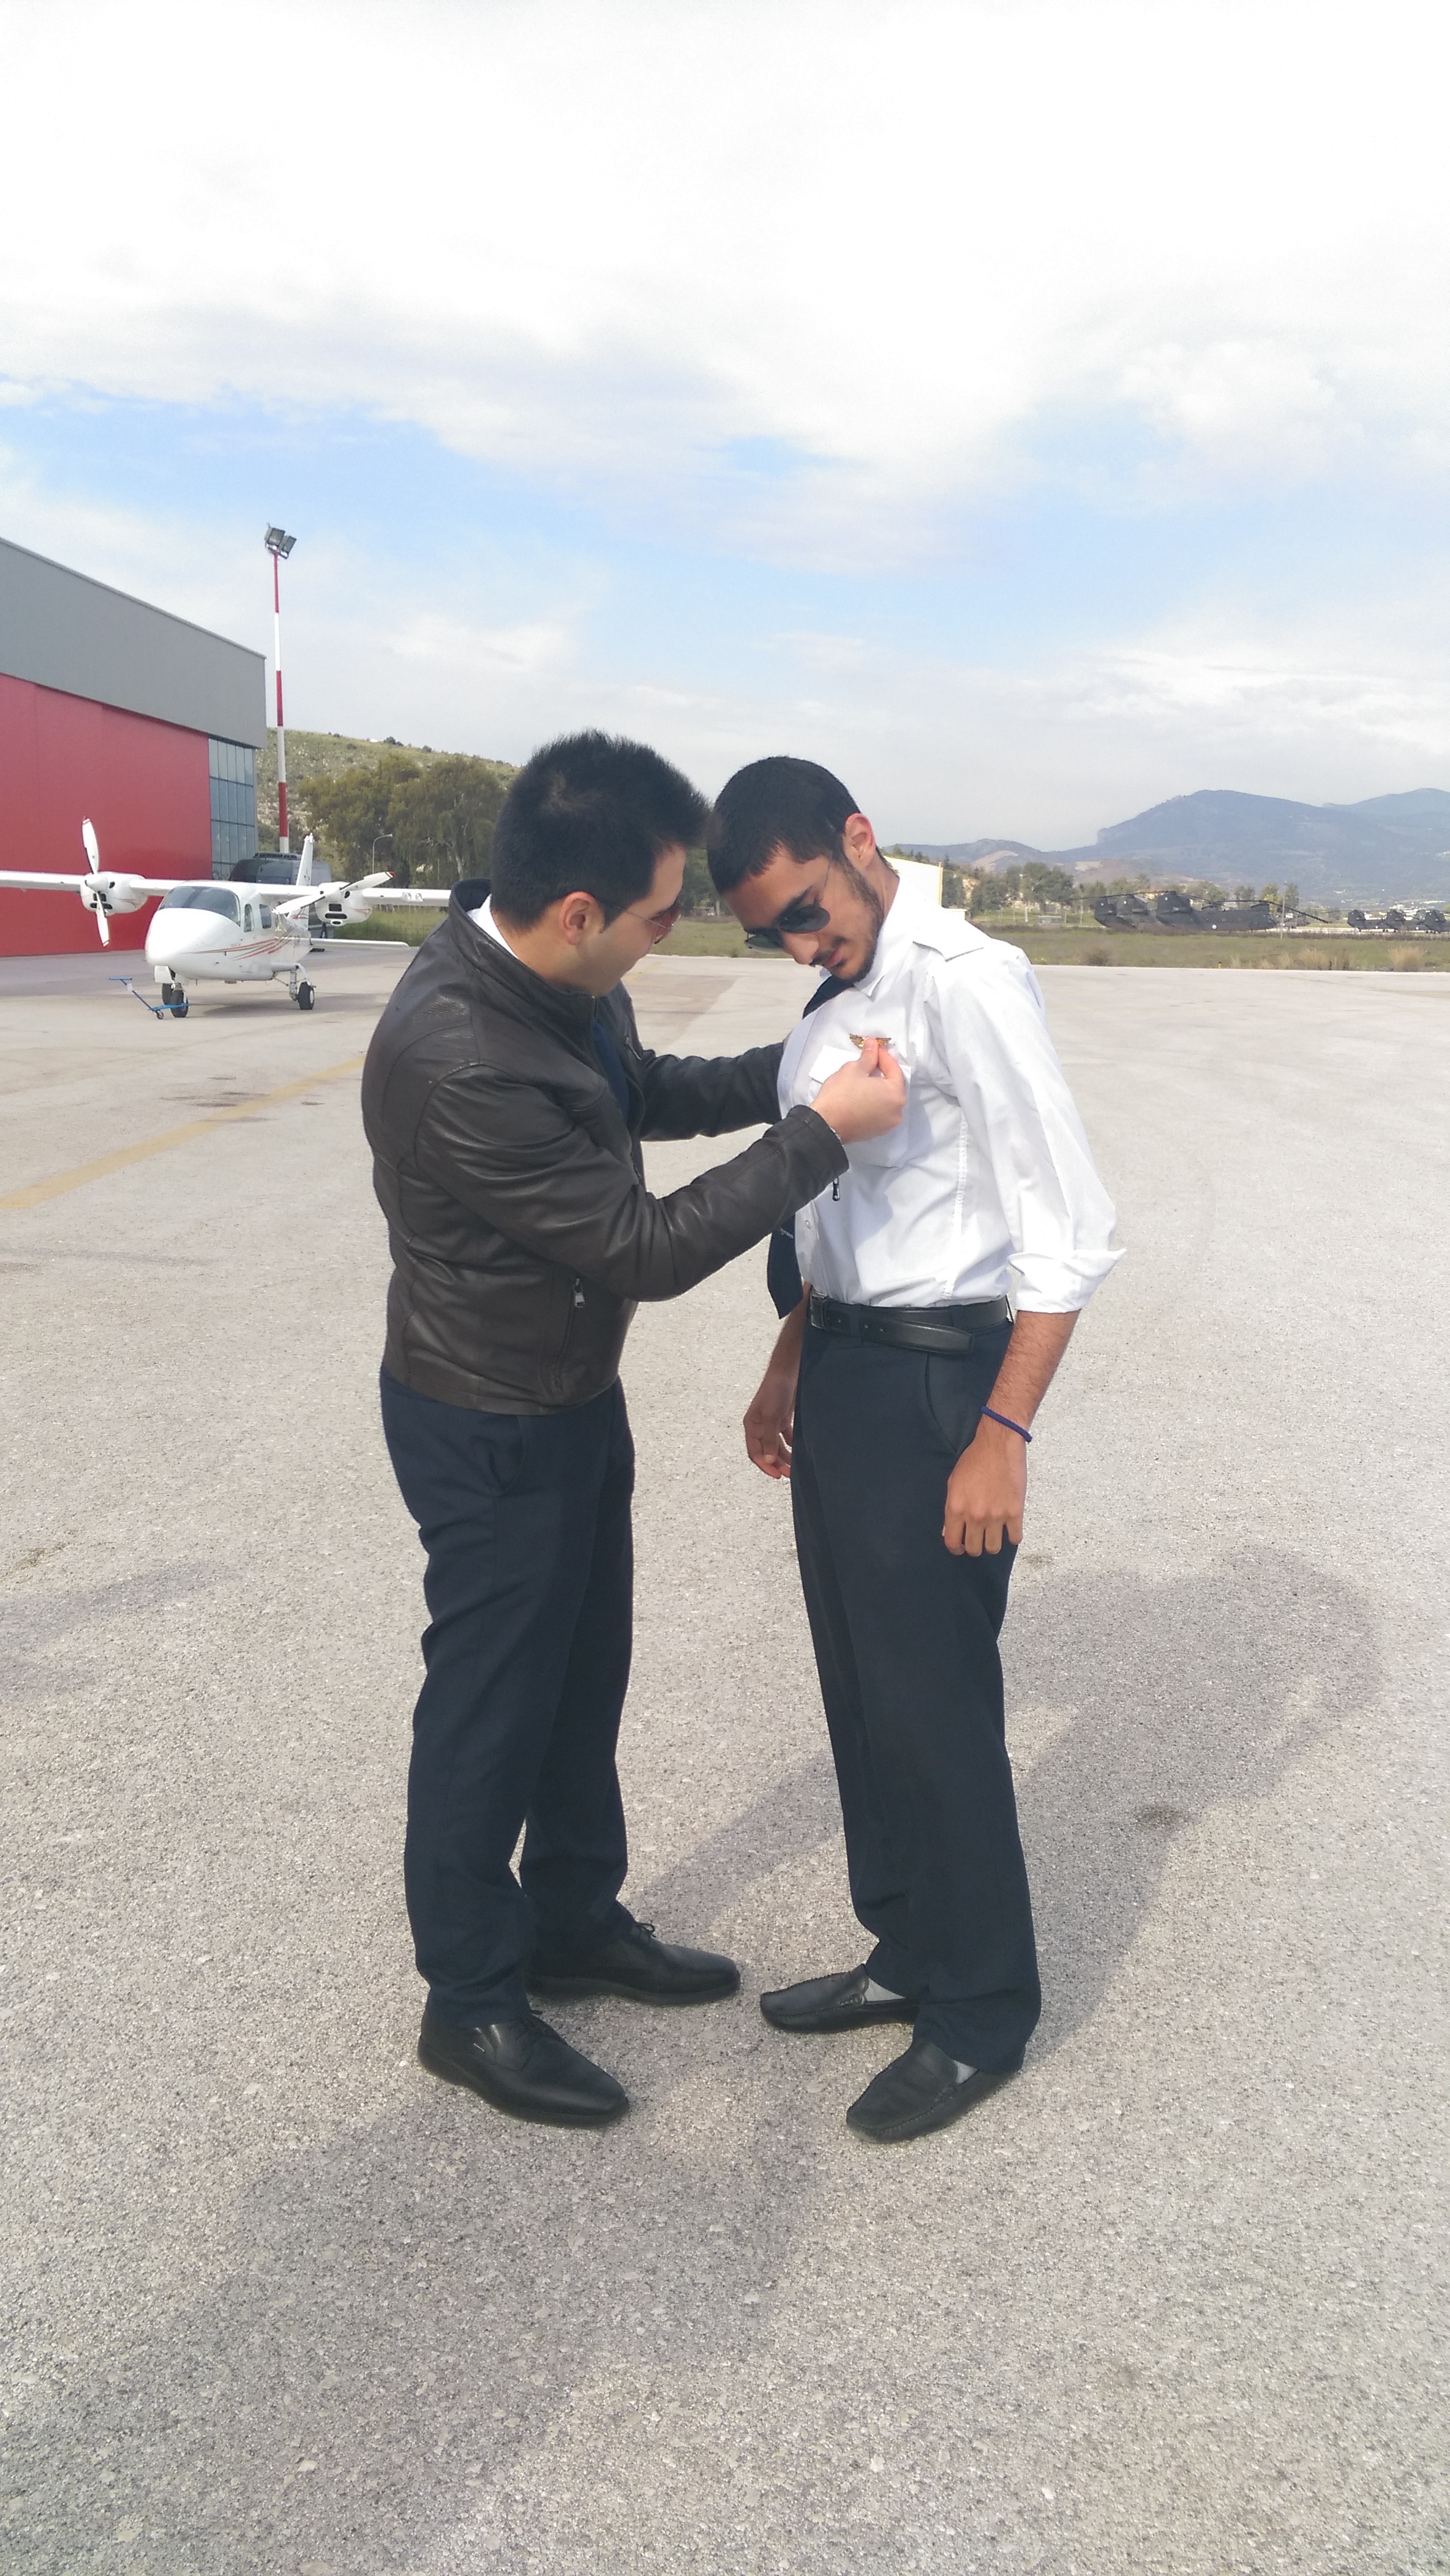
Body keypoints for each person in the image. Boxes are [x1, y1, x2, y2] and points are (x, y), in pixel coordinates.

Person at [361, 732, 904, 2130]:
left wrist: (796, 1066)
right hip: (485, 1422)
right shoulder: (461, 1058)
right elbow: (639, 1246)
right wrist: (820, 1135)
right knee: (490, 1709)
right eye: (664, 914)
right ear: (578, 910)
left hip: (562, 1393)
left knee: (578, 1675)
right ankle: (469, 1998)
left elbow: (642, 1093)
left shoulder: (558, 980)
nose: (675, 932)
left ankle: (571, 1921)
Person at [706, 757, 1119, 2146]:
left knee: (936, 1707)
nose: (799, 944)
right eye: (770, 932)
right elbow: (839, 1214)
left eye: (807, 910)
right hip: (842, 1369)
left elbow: (1067, 1225)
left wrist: (1003, 1431)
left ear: (859, 839)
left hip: (944, 1384)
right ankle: (907, 1946)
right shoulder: (839, 993)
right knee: (863, 1687)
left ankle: (982, 2007)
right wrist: (789, 1359)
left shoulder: (965, 979)